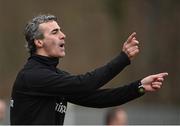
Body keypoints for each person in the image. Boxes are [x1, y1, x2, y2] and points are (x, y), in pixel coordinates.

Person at [10, 14, 168, 125]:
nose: (63, 35)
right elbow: (85, 83)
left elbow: (99, 98)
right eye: (55, 32)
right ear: (38, 42)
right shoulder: (32, 76)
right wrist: (123, 58)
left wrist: (139, 87)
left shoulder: (54, 76)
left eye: (61, 30)